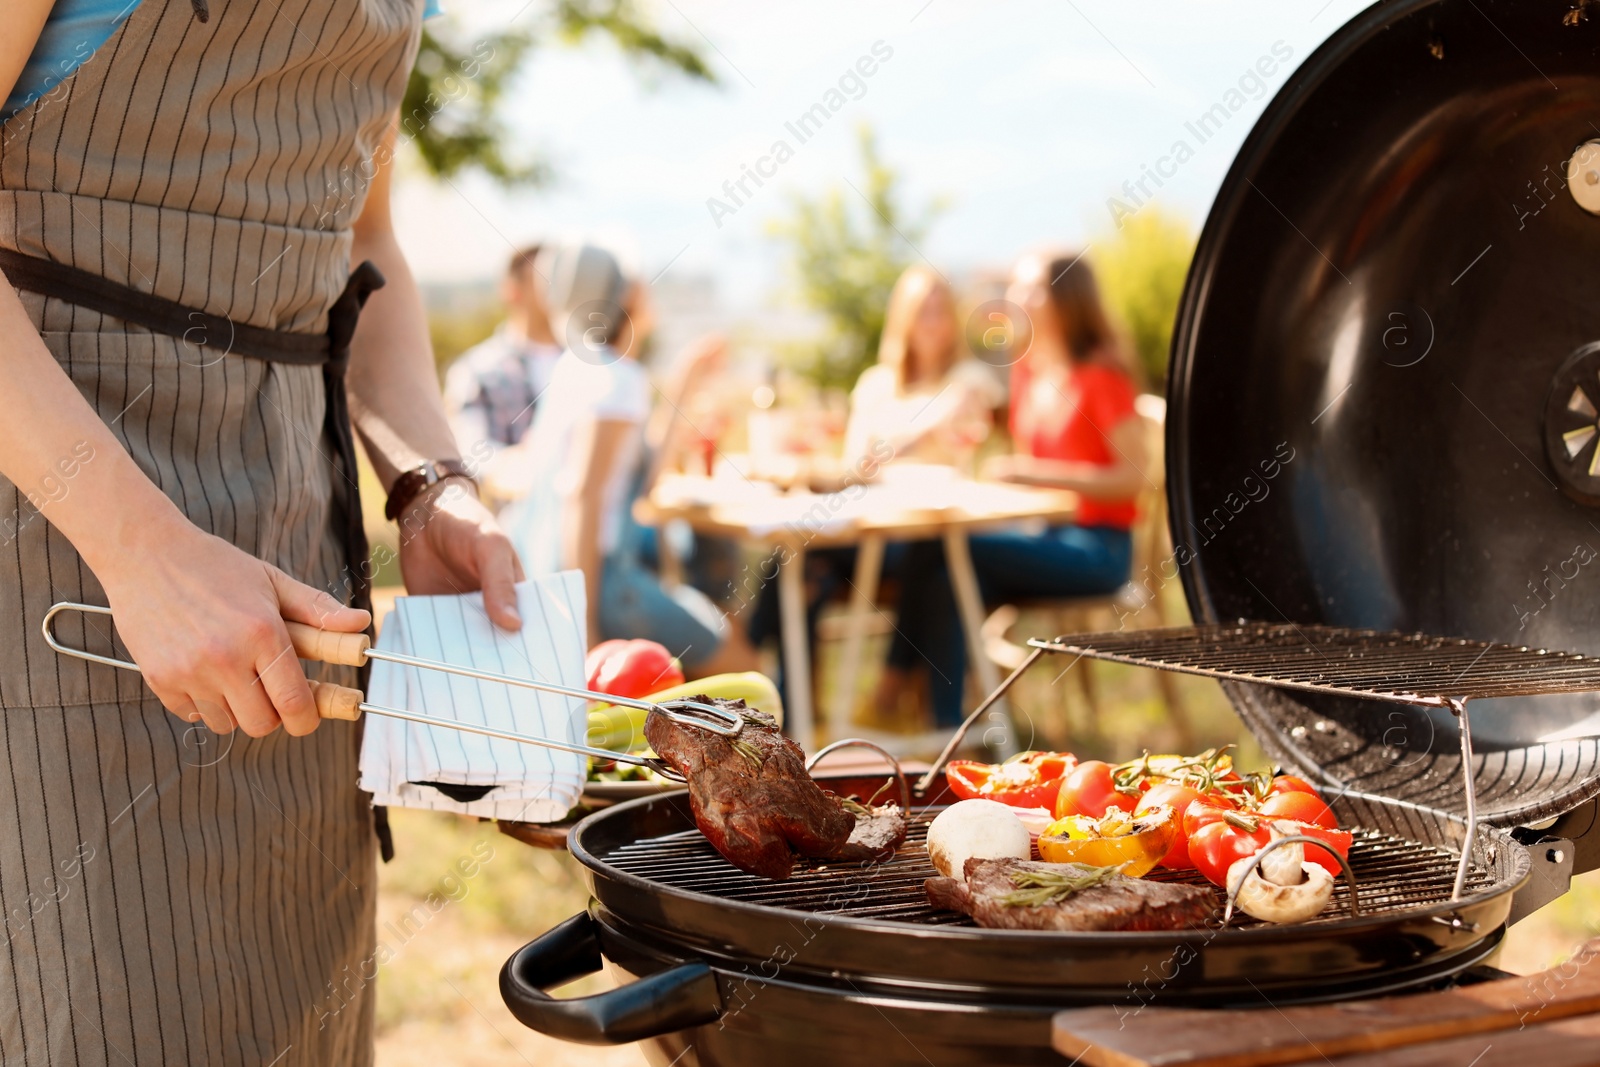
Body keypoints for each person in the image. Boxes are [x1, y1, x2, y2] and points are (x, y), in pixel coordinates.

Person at [0, 2, 522, 1063]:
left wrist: (429, 481)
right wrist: (143, 547)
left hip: (296, 547)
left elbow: (363, 242)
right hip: (57, 540)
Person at [892, 251, 1147, 727]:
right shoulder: (1030, 372)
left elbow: (1134, 478)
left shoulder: (1100, 376)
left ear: (1066, 299)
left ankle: (901, 695)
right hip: (1042, 537)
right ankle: (948, 725)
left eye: (1031, 289)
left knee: (944, 551)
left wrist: (1035, 474)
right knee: (947, 575)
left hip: (1098, 549)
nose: (1016, 299)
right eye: (1015, 287)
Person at [750, 265, 1003, 719]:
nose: (931, 320)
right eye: (921, 309)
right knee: (799, 562)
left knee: (929, 553)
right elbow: (855, 464)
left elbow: (929, 430)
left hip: (922, 535)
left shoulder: (968, 376)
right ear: (902, 318)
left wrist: (889, 448)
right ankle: (790, 707)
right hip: (871, 528)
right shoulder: (877, 382)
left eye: (940, 309)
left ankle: (884, 692)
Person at [502, 242, 759, 677]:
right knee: (744, 672)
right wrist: (582, 626)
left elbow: (638, 479)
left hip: (550, 574)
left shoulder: (576, 368)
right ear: (623, 296)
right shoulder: (617, 380)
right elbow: (583, 496)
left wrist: (683, 380)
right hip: (603, 584)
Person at [443, 244, 563, 487]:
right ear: (512, 290)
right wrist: (526, 464)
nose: (558, 284)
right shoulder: (477, 370)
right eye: (545, 276)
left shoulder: (587, 367)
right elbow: (470, 454)